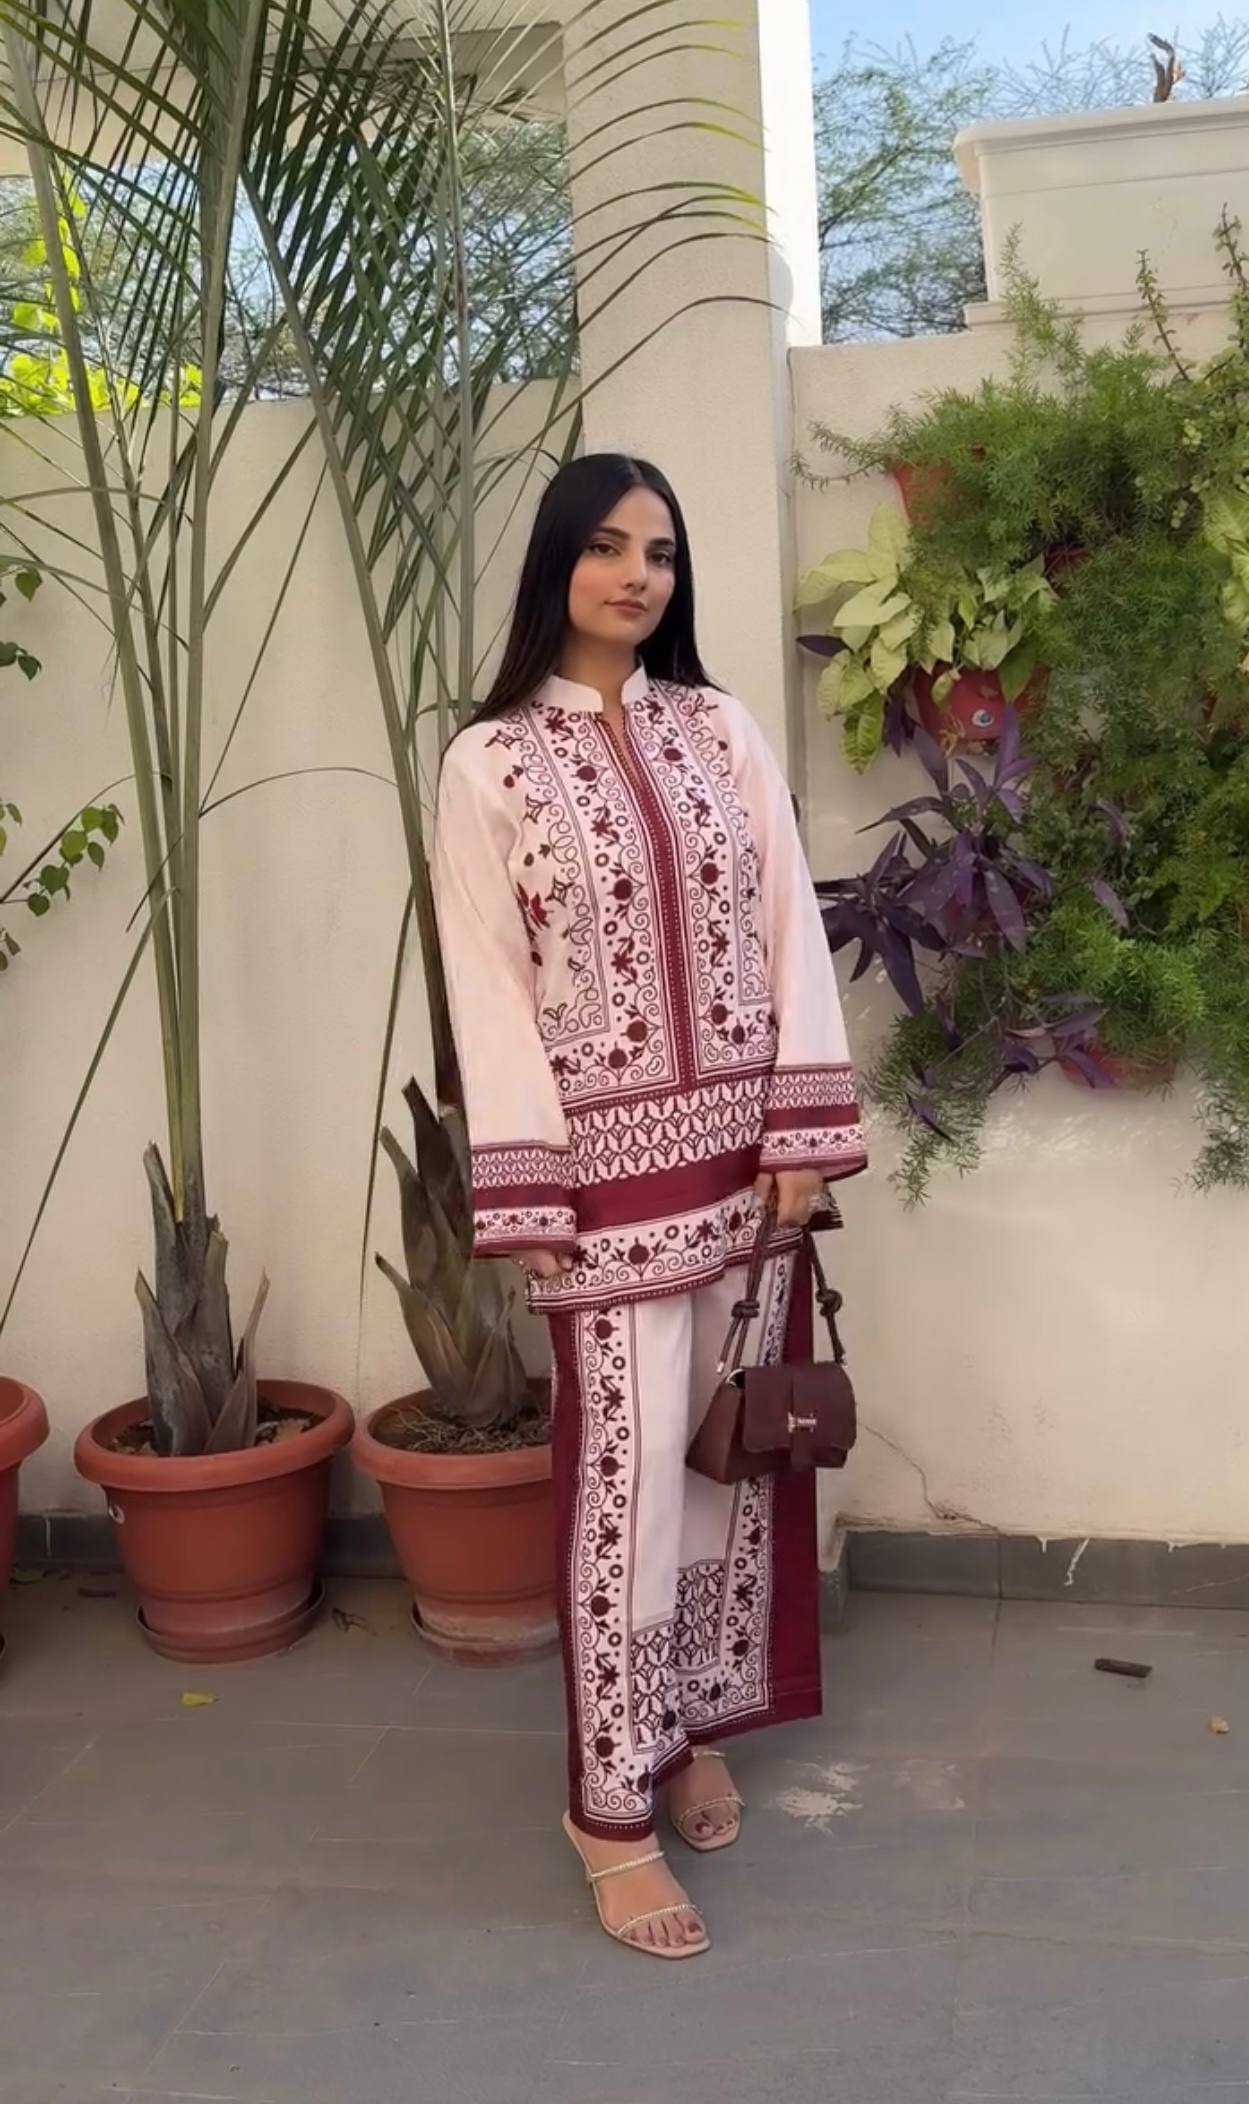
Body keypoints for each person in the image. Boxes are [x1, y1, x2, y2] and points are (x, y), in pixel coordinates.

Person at [433, 453, 865, 1960]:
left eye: (661, 553)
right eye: (609, 547)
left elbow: (788, 923)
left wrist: (800, 1129)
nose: (637, 576)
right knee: (620, 1494)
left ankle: (689, 1733)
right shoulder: (488, 761)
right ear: (556, 562)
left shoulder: (717, 727)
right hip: (602, 1190)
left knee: (721, 1469)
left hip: (747, 1168)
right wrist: (531, 1185)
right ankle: (607, 1810)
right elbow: (486, 985)